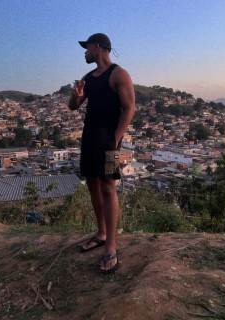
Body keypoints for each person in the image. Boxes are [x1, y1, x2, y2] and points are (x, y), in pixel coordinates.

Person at [68, 33, 135, 273]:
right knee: (92, 184)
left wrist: (115, 139)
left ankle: (112, 246)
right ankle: (102, 232)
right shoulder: (88, 77)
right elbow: (73, 106)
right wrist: (76, 95)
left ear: (98, 47)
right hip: (89, 137)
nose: (85, 53)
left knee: (108, 186)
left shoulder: (119, 74)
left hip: (109, 139)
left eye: (86, 48)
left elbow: (129, 108)